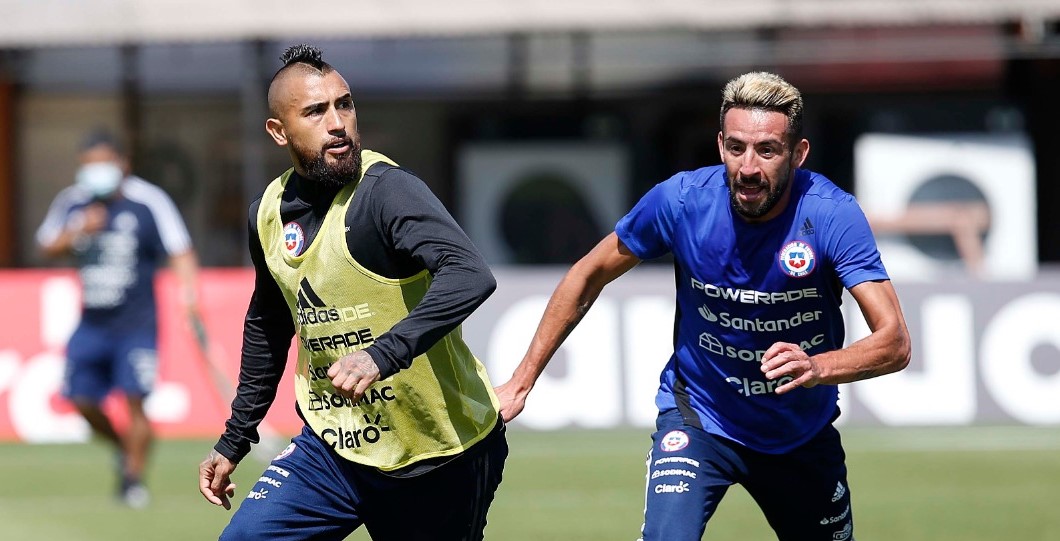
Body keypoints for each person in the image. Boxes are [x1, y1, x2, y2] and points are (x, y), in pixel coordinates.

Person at [495, 71, 911, 540]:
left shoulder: (831, 214)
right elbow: (587, 273)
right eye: (736, 148)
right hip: (700, 418)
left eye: (768, 151)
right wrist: (521, 381)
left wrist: (817, 366)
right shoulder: (682, 201)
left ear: (798, 154)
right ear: (719, 145)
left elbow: (894, 341)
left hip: (799, 434)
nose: (748, 167)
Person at [198, 44, 507, 541]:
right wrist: (236, 438)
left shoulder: (386, 192)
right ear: (279, 132)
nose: (337, 122)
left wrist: (382, 354)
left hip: (436, 453)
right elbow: (270, 324)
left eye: (344, 104)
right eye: (316, 111)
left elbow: (469, 273)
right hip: (332, 450)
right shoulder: (268, 213)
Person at [36, 129, 200, 508]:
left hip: (137, 323)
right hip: (92, 322)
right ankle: (123, 447)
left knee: (134, 399)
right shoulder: (73, 202)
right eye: (87, 167)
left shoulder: (148, 201)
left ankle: (132, 480)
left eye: (102, 165)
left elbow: (180, 250)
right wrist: (78, 230)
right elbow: (46, 244)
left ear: (122, 165)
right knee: (80, 399)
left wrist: (189, 295)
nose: (94, 174)